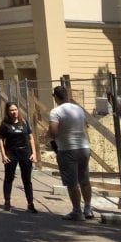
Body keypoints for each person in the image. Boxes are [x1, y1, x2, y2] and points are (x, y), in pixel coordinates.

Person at [49, 85, 93, 221]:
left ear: (55, 97)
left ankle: (77, 211)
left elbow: (53, 132)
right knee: (84, 179)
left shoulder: (55, 112)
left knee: (72, 182)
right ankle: (88, 208)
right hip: (84, 147)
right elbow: (85, 126)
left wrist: (48, 137)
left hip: (67, 149)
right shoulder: (78, 109)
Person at [0, 101, 38, 213]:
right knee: (9, 177)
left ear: (18, 110)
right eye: (11, 110)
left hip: (25, 152)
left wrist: (34, 153)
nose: (13, 112)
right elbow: (1, 140)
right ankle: (7, 201)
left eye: (15, 109)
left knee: (27, 179)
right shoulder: (5, 124)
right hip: (11, 153)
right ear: (7, 112)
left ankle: (30, 203)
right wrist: (3, 155)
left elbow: (31, 138)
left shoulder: (24, 122)